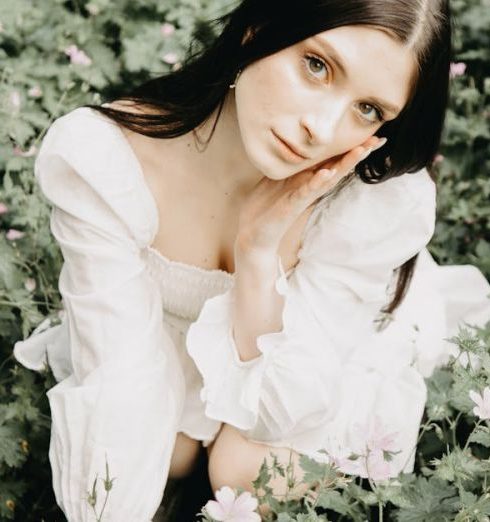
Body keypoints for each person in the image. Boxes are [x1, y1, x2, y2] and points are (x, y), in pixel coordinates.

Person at [13, 0, 490, 519]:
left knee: (242, 468)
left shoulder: (363, 206)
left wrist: (259, 254)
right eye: (317, 65)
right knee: (160, 451)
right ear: (259, 28)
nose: (322, 128)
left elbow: (286, 408)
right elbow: (119, 383)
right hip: (164, 338)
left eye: (368, 109)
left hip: (314, 343)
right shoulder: (109, 162)